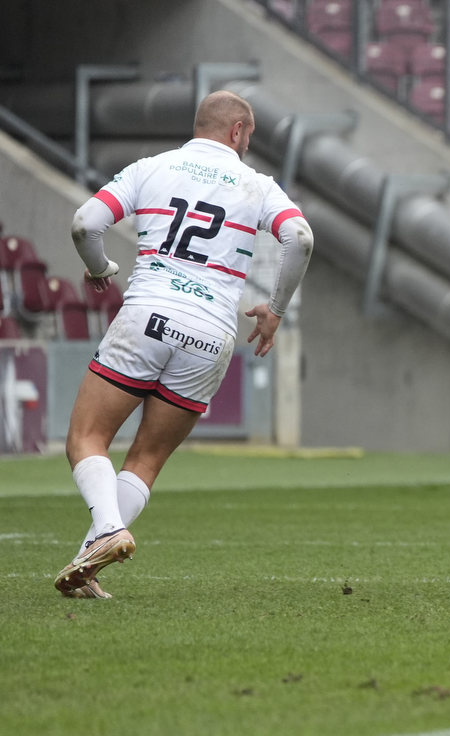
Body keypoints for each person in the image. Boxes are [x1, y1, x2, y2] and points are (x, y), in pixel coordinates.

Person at [54, 91, 314, 599]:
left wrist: (100, 267)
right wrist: (276, 310)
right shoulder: (258, 185)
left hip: (147, 315)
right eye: (249, 135)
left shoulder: (150, 168)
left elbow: (85, 223)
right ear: (237, 131)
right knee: (147, 459)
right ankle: (91, 557)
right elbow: (300, 238)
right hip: (212, 333)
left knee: (86, 438)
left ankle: (107, 531)